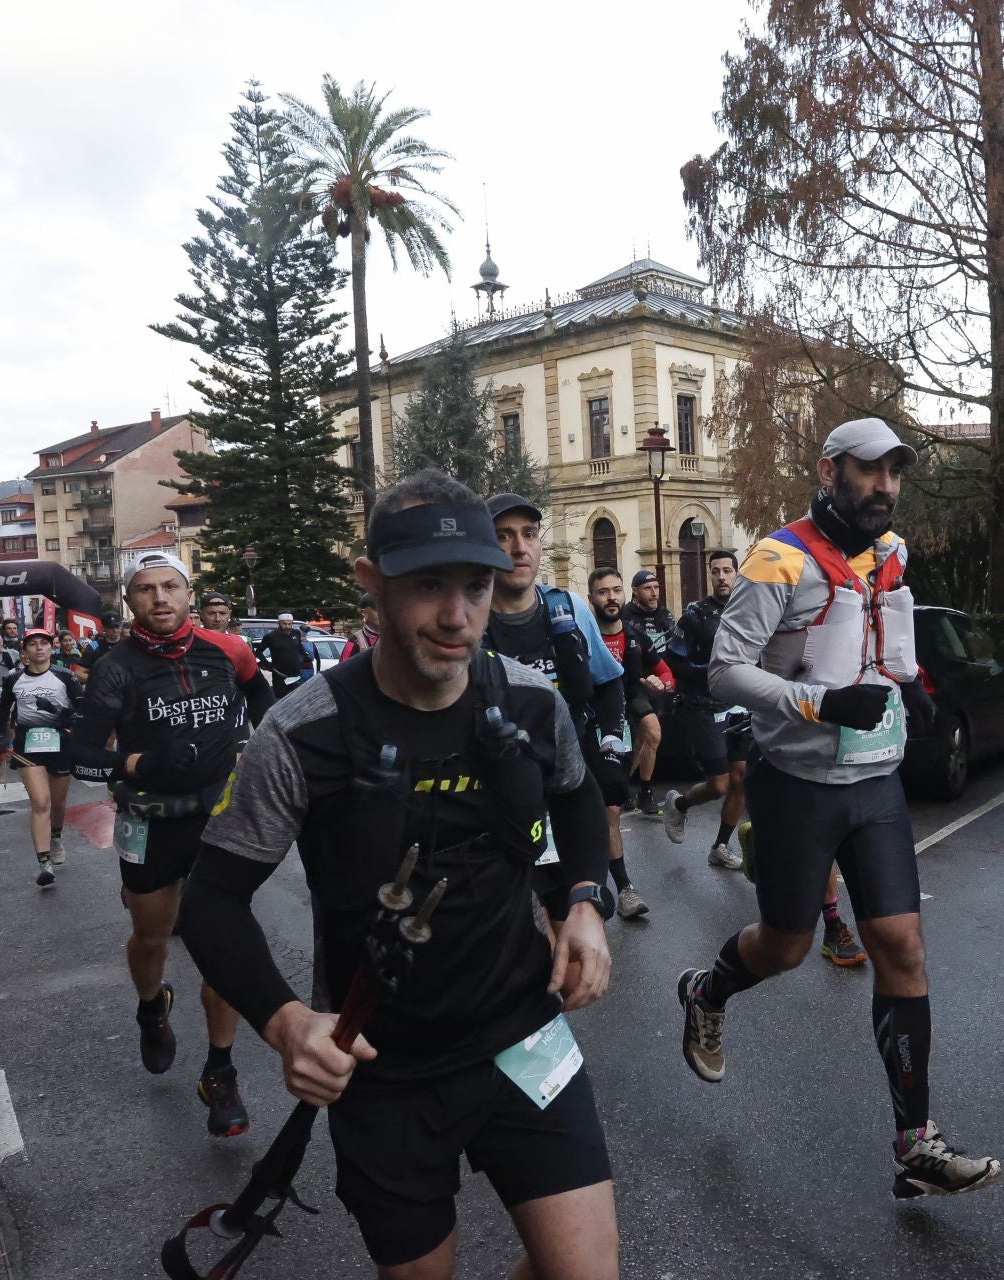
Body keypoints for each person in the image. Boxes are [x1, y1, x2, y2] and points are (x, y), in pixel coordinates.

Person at [179, 470, 620, 1280]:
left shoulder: (528, 703)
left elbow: (578, 795)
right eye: (428, 587)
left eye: (476, 587)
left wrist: (584, 902)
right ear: (372, 587)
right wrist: (285, 1024)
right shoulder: (301, 732)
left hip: (523, 1033)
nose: (458, 617)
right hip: (383, 1067)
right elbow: (211, 901)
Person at [675, 417, 999, 1199]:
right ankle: (705, 991)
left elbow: (884, 637)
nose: (885, 486)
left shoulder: (891, 555)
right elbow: (724, 672)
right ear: (830, 470)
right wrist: (820, 704)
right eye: (870, 471)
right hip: (795, 781)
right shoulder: (776, 559)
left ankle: (915, 1145)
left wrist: (913, 687)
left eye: (895, 473)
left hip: (876, 782)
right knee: (786, 949)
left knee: (903, 947)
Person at [65, 551, 273, 1138]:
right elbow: (80, 751)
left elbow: (266, 708)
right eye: (146, 590)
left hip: (217, 818)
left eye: (171, 587)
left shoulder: (229, 650)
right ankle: (152, 1006)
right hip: (151, 821)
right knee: (153, 934)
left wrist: (255, 750)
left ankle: (220, 1070)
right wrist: (140, 761)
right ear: (130, 601)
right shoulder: (115, 667)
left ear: (189, 594)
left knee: (223, 942)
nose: (160, 598)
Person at [482, 493, 630, 925]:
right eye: (504, 536)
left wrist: (610, 744)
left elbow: (609, 683)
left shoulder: (568, 610)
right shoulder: (469, 620)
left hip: (566, 785)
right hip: (500, 792)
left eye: (529, 534)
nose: (519, 548)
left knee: (565, 924)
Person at [588, 566, 673, 921]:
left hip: (623, 709)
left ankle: (623, 889)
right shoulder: (580, 634)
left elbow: (666, 672)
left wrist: (663, 685)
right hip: (584, 721)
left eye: (616, 590)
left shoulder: (635, 635)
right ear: (591, 597)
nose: (612, 598)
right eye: (604, 592)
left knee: (610, 810)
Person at [660, 550, 753, 870]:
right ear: (709, 575)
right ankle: (680, 804)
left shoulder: (748, 610)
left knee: (740, 778)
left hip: (739, 707)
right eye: (716, 571)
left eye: (728, 570)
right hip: (702, 707)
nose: (722, 577)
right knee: (720, 784)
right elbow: (674, 661)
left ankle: (720, 846)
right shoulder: (696, 615)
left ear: (737, 574)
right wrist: (713, 671)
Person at [0, 629, 82, 888]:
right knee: (40, 802)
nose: (39, 648)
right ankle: (44, 864)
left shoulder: (65, 676)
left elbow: (83, 711)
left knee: (57, 803)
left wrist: (59, 712)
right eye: (33, 644)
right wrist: (1, 736)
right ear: (26, 650)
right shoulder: (13, 678)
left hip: (60, 743)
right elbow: (3, 710)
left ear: (52, 648)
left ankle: (56, 837)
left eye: (44, 643)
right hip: (28, 744)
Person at [621, 570, 676, 814]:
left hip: (656, 684)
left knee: (645, 739)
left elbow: (672, 654)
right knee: (648, 735)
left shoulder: (665, 615)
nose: (654, 592)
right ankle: (639, 789)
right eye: (647, 588)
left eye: (656, 587)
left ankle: (627, 787)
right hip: (629, 685)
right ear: (635, 591)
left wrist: (668, 682)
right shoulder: (624, 616)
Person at [257, 612, 319, 698]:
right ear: (278, 623)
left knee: (298, 700)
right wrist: (268, 664)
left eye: (290, 624)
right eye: (284, 624)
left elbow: (299, 647)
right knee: (280, 702)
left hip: (296, 675)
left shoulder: (296, 633)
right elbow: (258, 652)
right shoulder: (271, 636)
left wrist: (306, 657)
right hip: (280, 676)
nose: (287, 626)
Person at [341, 591, 381, 660]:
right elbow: (342, 668)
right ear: (365, 613)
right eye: (378, 609)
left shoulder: (394, 638)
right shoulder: (355, 641)